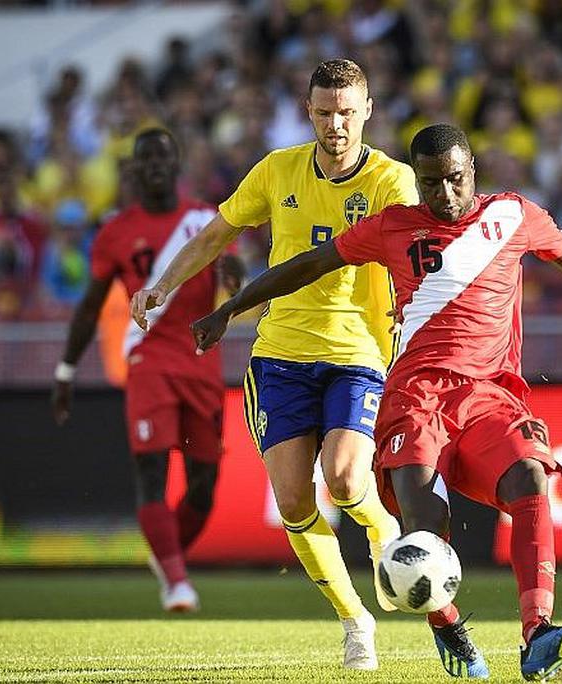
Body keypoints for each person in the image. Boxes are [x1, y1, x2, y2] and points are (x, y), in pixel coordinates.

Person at [190, 124, 562, 681]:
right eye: (431, 184)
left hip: (490, 396)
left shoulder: (514, 216)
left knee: (530, 481)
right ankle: (449, 627)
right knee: (423, 521)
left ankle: (538, 634)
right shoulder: (392, 227)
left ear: (473, 171)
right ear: (417, 182)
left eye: (455, 180)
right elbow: (311, 264)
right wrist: (231, 308)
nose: (445, 195)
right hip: (414, 399)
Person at [131, 59, 419, 670]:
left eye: (346, 112)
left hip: (357, 348)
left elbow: (412, 257)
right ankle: (354, 621)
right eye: (323, 112)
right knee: (293, 501)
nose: (335, 124)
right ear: (307, 111)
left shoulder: (394, 182)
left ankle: (378, 526)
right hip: (280, 354)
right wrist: (163, 284)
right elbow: (215, 237)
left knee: (343, 480)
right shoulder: (277, 169)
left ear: (367, 110)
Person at [51, 128, 244, 612]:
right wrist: (65, 371)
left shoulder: (206, 221)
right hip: (147, 361)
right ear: (135, 169)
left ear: (176, 163)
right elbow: (90, 307)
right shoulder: (116, 232)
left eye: (163, 156)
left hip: (200, 361)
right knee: (150, 468)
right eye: (146, 158)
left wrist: (233, 280)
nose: (155, 164)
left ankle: (167, 554)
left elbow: (235, 277)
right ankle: (177, 583)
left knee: (204, 484)